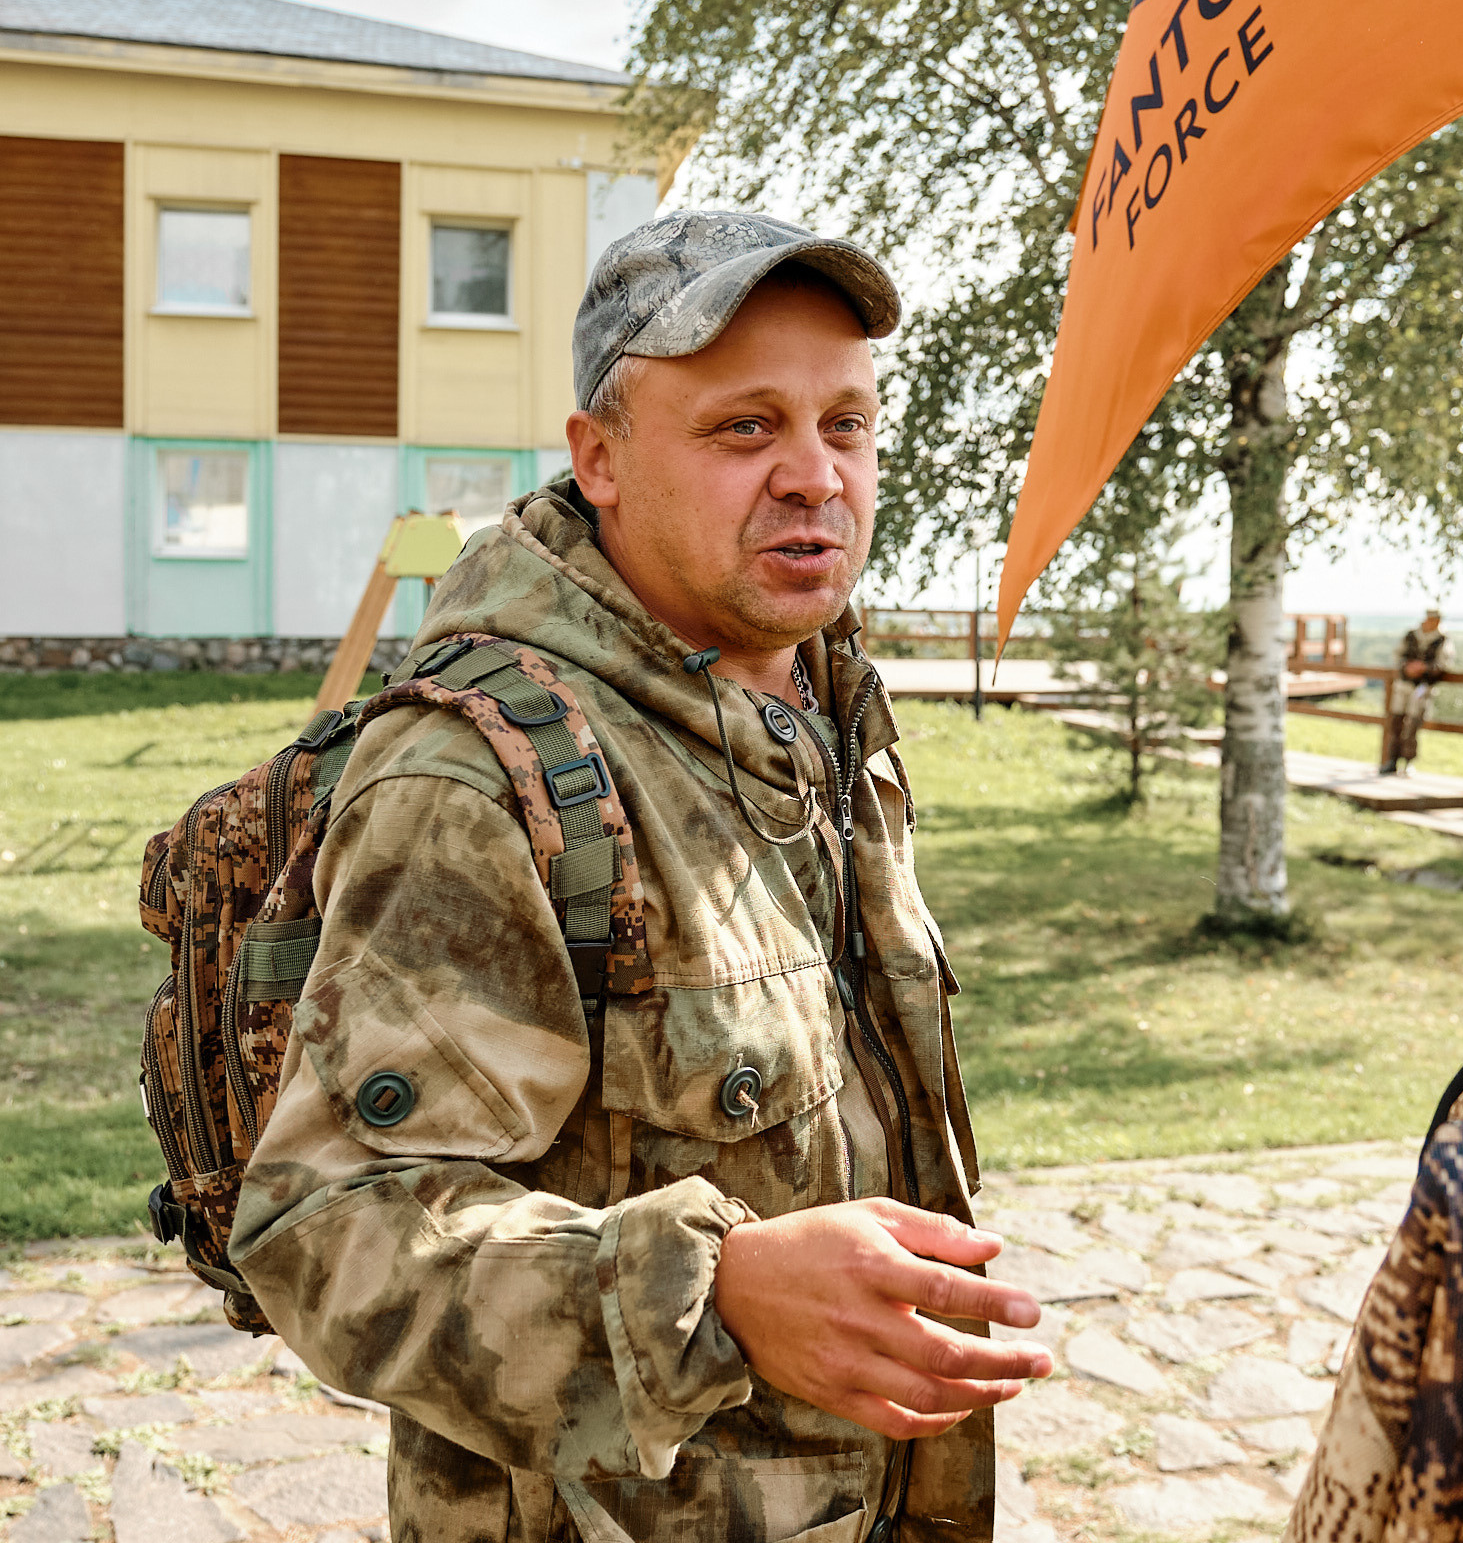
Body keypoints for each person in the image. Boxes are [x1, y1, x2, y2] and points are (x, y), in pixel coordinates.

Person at [229, 212, 1052, 1540]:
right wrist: (714, 1295)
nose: (814, 475)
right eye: (745, 427)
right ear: (599, 459)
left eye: (847, 424)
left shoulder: (823, 712)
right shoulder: (475, 778)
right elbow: (328, 1232)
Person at [1381, 607, 1452, 774]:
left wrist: (1424, 668)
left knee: (1413, 724)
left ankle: (1408, 761)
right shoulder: (1411, 635)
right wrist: (1407, 666)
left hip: (1423, 687)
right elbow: (1397, 655)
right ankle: (1392, 760)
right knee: (1396, 722)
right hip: (1403, 684)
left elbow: (1444, 662)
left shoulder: (1442, 639)